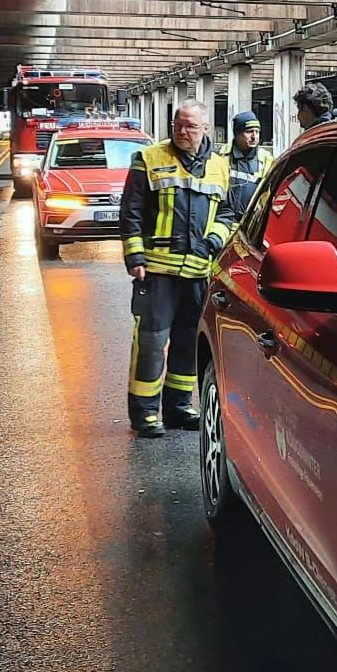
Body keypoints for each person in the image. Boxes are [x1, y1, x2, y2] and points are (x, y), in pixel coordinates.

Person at [119, 99, 238, 438]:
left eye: (189, 126)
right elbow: (132, 212)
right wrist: (136, 258)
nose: (182, 132)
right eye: (178, 125)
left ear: (205, 129)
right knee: (151, 344)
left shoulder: (219, 166)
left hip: (198, 273)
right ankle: (144, 413)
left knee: (187, 343)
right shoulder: (149, 159)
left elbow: (228, 214)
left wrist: (212, 242)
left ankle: (179, 407)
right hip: (157, 273)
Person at [226, 110, 273, 216]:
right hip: (223, 221)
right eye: (249, 131)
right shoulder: (223, 156)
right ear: (237, 134)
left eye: (257, 132)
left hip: (248, 226)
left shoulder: (266, 160)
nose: (254, 136)